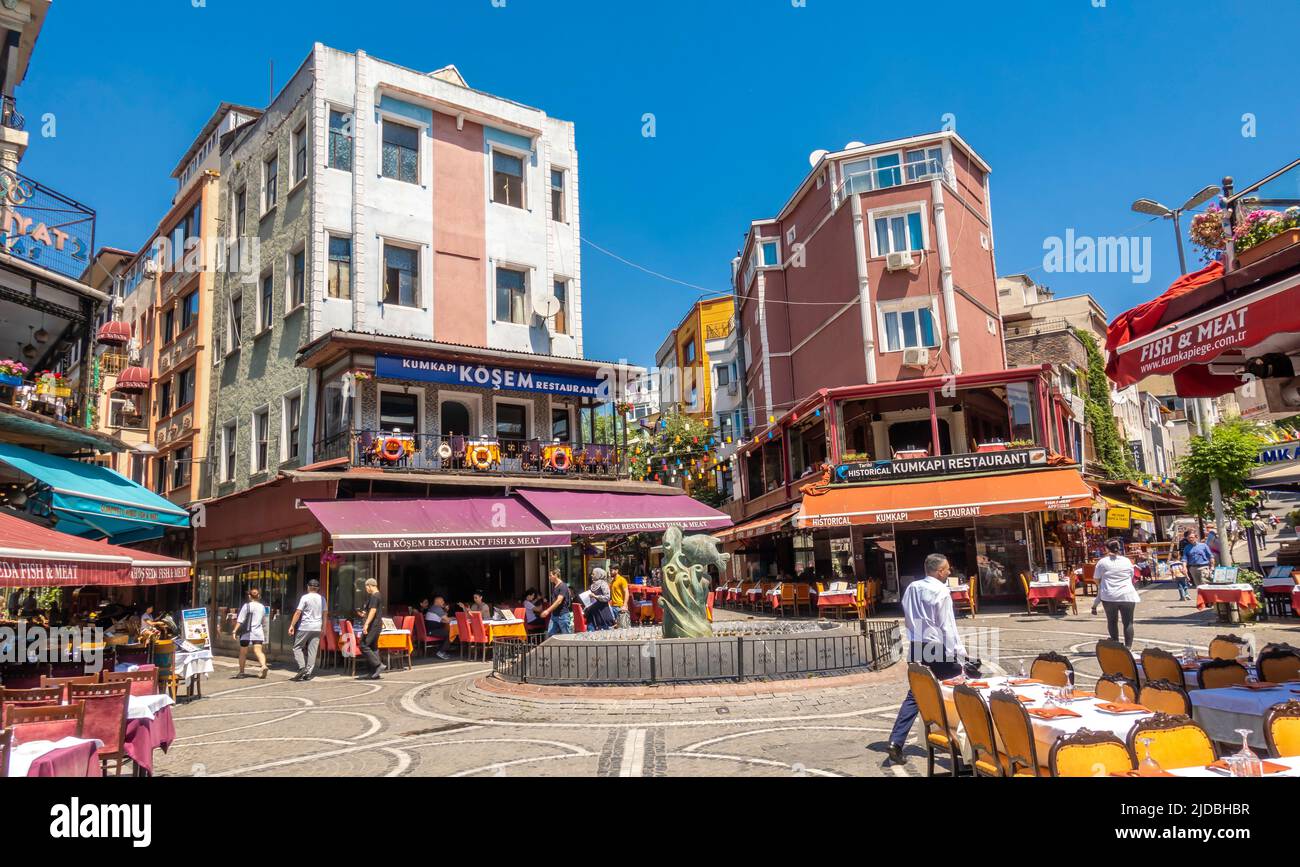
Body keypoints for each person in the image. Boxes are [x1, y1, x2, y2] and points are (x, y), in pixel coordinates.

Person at [885, 553, 971, 766]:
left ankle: (896, 741)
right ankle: (968, 740)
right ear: (939, 571)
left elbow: (907, 615)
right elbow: (947, 626)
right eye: (947, 569)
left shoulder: (912, 588)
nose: (949, 572)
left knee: (915, 694)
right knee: (963, 687)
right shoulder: (941, 591)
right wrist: (960, 653)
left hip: (917, 646)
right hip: (937, 647)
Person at [1090, 539, 1141, 648]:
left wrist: (1103, 582)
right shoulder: (1127, 561)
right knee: (1128, 622)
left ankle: (1115, 643)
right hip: (1127, 594)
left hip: (1109, 595)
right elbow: (1131, 576)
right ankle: (1128, 647)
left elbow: (1096, 579)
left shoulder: (1102, 562)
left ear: (1106, 548)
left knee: (1112, 621)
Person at [288, 578, 325, 682]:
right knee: (312, 651)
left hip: (305, 626)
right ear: (317, 588)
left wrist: (292, 625)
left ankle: (302, 667)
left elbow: (298, 612)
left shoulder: (305, 597)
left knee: (297, 647)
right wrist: (324, 627)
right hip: (317, 626)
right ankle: (308, 673)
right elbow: (325, 613)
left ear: (308, 587)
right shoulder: (322, 598)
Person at [234, 588, 269, 679]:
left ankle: (241, 672)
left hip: (246, 632)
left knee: (243, 652)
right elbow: (263, 620)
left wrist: (235, 631)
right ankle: (263, 665)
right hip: (258, 632)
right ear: (259, 596)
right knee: (258, 651)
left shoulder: (246, 606)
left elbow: (240, 620)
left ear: (249, 596)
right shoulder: (262, 607)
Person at [357, 578, 385, 680]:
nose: (366, 589)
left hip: (373, 625)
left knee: (363, 645)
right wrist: (364, 614)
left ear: (370, 585)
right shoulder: (378, 596)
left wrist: (366, 624)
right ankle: (374, 672)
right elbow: (372, 611)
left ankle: (378, 665)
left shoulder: (374, 596)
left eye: (366, 587)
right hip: (377, 625)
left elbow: (373, 611)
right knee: (373, 647)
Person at [541, 569, 574, 635]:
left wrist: (547, 611)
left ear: (555, 575)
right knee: (550, 636)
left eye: (550, 575)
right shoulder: (556, 586)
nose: (549, 577)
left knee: (566, 638)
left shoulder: (563, 586)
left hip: (562, 615)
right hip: (554, 616)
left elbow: (559, 601)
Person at [425, 595, 453, 659]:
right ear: (437, 602)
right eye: (442, 601)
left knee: (446, 631)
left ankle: (443, 649)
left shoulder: (432, 608)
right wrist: (454, 619)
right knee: (450, 633)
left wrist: (446, 611)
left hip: (431, 629)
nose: (443, 602)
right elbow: (447, 619)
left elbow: (442, 619)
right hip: (432, 631)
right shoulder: (437, 608)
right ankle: (441, 651)